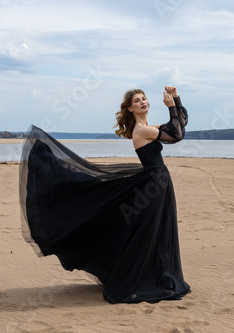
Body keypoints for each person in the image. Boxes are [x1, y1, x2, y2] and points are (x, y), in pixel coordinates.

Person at [19, 86, 190, 303]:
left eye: (144, 99)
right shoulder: (141, 130)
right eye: (137, 101)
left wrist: (176, 98)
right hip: (153, 185)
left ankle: (158, 277)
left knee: (155, 233)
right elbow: (176, 135)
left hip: (158, 182)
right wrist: (171, 107)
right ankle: (147, 280)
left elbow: (181, 123)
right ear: (130, 108)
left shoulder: (148, 128)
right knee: (150, 233)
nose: (143, 102)